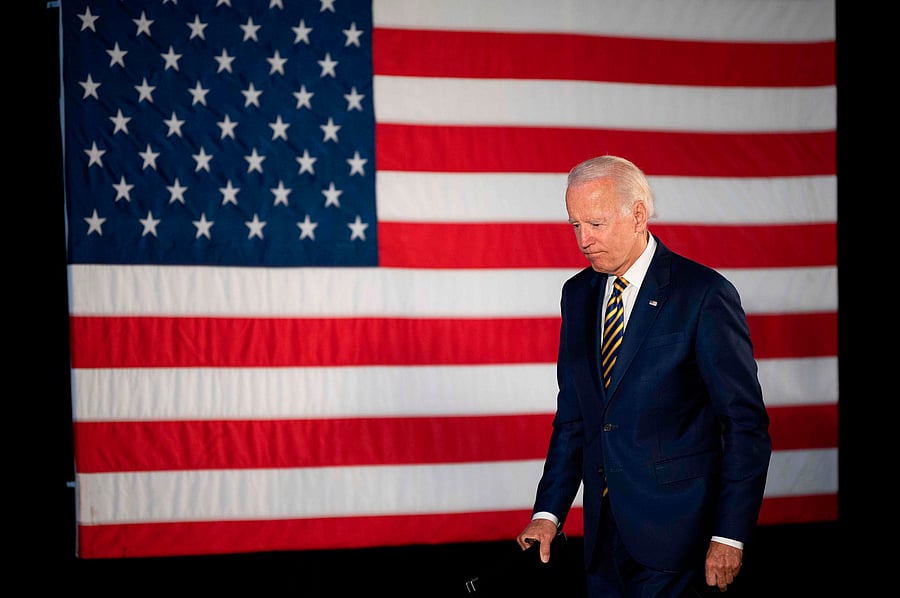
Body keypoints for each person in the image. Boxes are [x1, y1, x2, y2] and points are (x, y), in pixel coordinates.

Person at [516, 155, 772, 596]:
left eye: (595, 224)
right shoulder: (576, 295)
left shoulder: (703, 294)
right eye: (575, 225)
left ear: (637, 216)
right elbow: (575, 418)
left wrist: (729, 536)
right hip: (602, 538)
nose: (583, 240)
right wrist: (548, 514)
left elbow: (744, 425)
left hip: (680, 536)